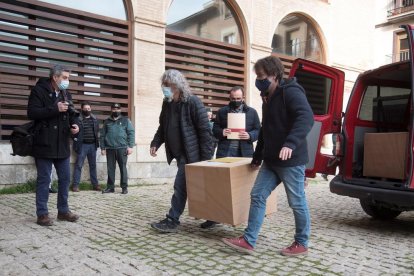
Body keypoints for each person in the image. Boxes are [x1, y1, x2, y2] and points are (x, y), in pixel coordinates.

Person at [222, 56, 314, 256]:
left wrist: (290, 143)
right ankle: (248, 240)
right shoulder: (267, 97)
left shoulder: (291, 93)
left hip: (291, 160)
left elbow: (306, 118)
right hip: (271, 160)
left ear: (274, 75)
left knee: (296, 202)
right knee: (257, 195)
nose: (259, 80)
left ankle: (302, 242)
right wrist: (257, 156)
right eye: (257, 76)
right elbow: (266, 129)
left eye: (262, 76)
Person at [150, 69, 213, 233]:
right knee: (196, 187)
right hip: (178, 154)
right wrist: (155, 143)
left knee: (180, 186)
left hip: (192, 154)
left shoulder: (193, 102)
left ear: (177, 86)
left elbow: (205, 132)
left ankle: (172, 219)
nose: (164, 88)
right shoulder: (168, 102)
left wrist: (206, 160)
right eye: (163, 85)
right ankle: (213, 216)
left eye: (167, 85)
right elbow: (163, 126)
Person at [201, 86, 261, 229]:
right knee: (219, 186)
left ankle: (245, 217)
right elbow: (214, 130)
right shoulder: (222, 112)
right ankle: (214, 218)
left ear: (243, 98)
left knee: (244, 187)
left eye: (238, 99)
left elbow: (259, 130)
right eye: (233, 99)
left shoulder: (251, 112)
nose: (236, 101)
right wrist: (222, 132)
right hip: (225, 153)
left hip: (244, 154)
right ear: (229, 98)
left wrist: (250, 135)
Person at [28, 64, 80, 226]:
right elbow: (32, 112)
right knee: (44, 179)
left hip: (62, 144)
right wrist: (54, 108)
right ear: (55, 77)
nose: (67, 81)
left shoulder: (66, 93)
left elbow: (72, 114)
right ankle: (42, 214)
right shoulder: (39, 90)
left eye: (68, 78)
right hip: (44, 143)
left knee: (65, 179)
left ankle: (63, 211)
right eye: (64, 78)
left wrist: (75, 126)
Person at [100, 103, 135, 194]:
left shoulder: (125, 120)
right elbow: (102, 135)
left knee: (123, 168)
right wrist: (103, 148)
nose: (116, 110)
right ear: (111, 109)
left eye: (117, 109)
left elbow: (131, 132)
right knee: (110, 168)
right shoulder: (107, 121)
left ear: (120, 110)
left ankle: (124, 187)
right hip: (110, 148)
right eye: (114, 109)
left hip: (122, 148)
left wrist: (130, 146)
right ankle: (110, 187)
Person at [71, 101, 101, 192]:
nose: (87, 110)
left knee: (93, 165)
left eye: (88, 109)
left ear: (90, 109)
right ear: (82, 109)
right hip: (82, 145)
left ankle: (95, 185)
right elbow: (73, 132)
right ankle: (75, 185)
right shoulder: (77, 119)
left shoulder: (95, 119)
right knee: (78, 165)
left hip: (92, 145)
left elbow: (97, 132)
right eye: (85, 109)